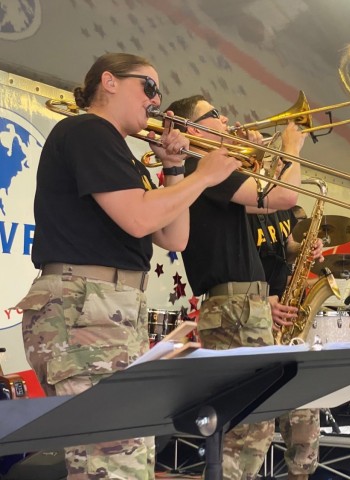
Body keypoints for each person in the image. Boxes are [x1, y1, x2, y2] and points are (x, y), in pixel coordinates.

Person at [16, 53, 240, 480]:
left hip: (105, 312)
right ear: (110, 82)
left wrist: (175, 169)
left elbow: (173, 238)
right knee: (114, 460)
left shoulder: (118, 150)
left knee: (117, 458)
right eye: (149, 87)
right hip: (87, 310)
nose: (156, 101)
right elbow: (137, 217)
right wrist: (204, 177)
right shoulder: (88, 130)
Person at [165, 94, 307, 480]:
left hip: (242, 307)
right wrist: (291, 148)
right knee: (249, 429)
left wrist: (263, 160)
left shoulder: (209, 173)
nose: (227, 119)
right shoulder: (199, 166)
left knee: (253, 426)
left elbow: (267, 205)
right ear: (191, 129)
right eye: (214, 115)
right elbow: (285, 196)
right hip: (234, 309)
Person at [248, 205, 323, 480]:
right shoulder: (241, 201)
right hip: (251, 312)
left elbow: (285, 246)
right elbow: (231, 260)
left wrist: (305, 249)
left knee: (304, 411)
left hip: (284, 313)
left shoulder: (285, 210)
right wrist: (259, 302)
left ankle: (300, 473)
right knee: (252, 427)